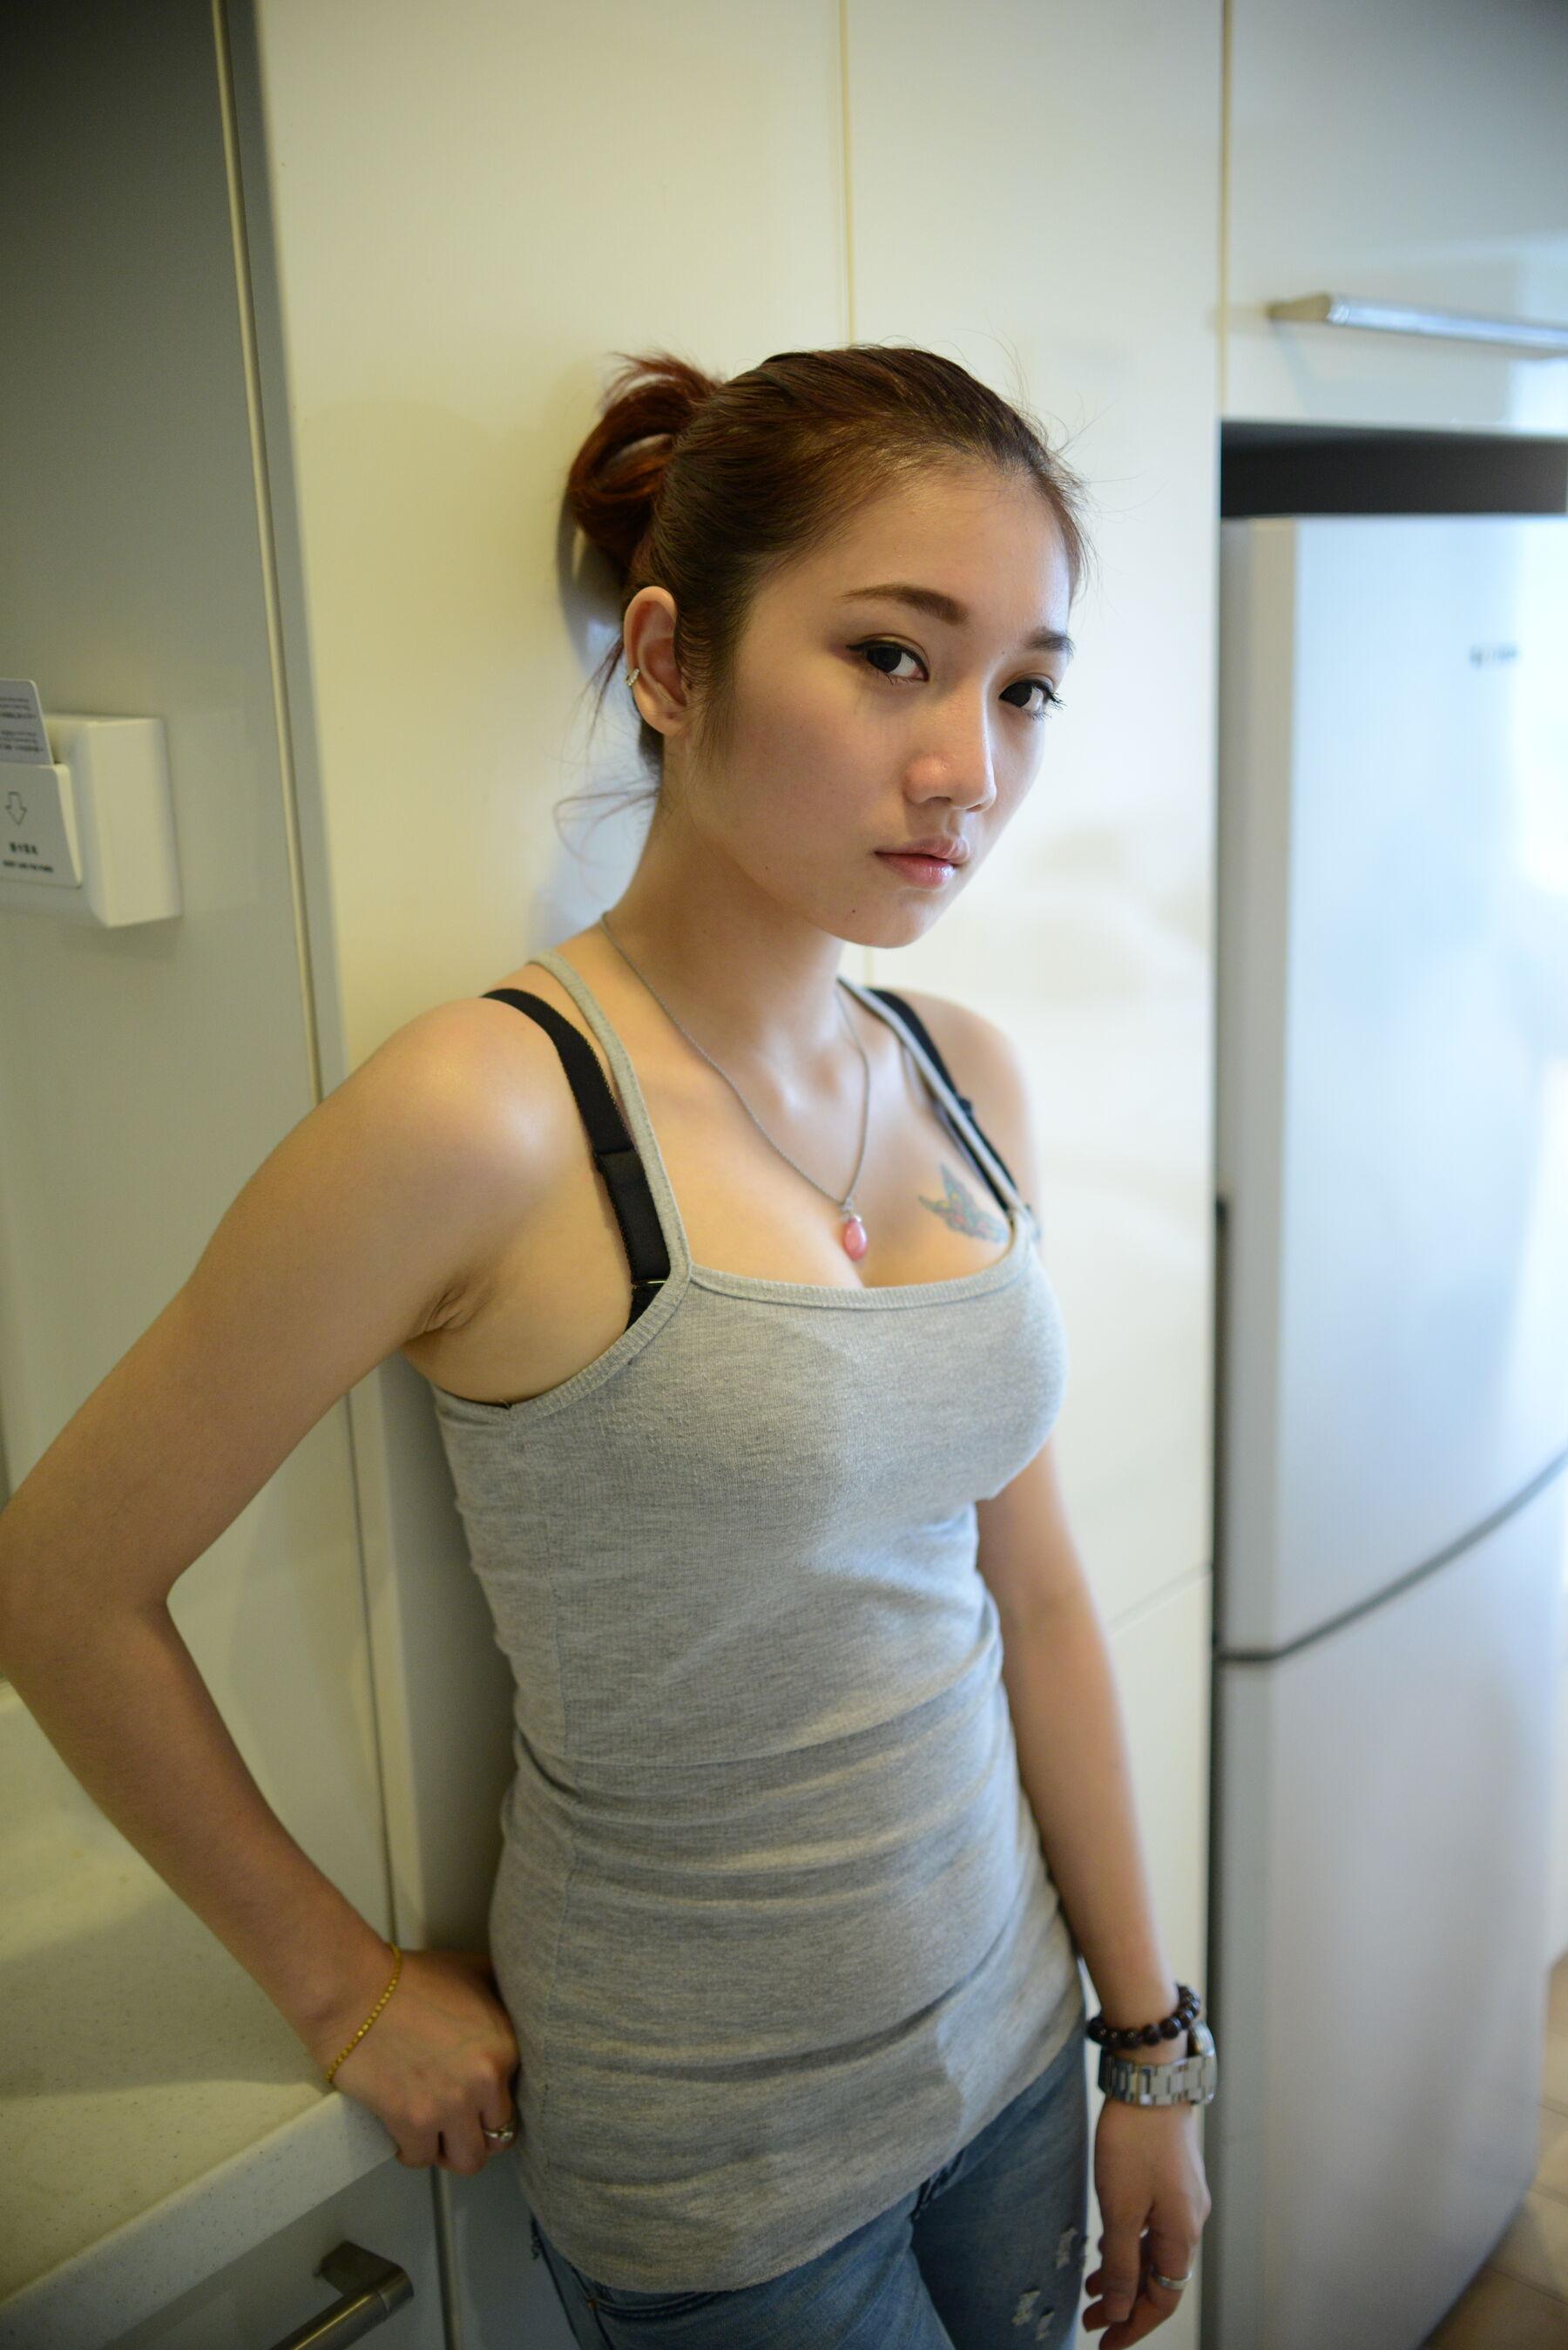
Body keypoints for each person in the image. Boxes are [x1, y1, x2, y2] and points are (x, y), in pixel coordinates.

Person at [0, 343, 1211, 2349]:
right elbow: (59, 1579)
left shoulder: (961, 1070)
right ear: (669, 660)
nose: (969, 768)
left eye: (1022, 687)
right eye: (892, 657)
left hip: (1011, 2049)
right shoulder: (486, 1117)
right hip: (725, 2174)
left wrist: (1147, 2039)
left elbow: (1041, 1597)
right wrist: (342, 1985)